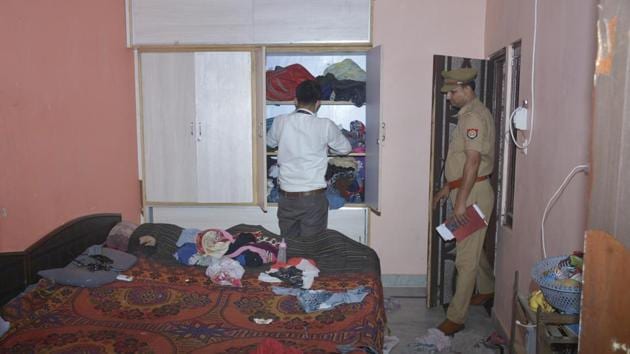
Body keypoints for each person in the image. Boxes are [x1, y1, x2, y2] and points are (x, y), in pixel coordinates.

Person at [432, 67, 496, 336]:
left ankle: (456, 317)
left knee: (465, 258)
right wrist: (449, 186)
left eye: (453, 92)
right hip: (466, 189)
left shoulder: (473, 118)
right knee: (473, 246)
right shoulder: (470, 113)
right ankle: (488, 288)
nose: (449, 98)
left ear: (468, 89)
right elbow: (463, 161)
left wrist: (460, 202)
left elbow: (472, 162)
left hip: (473, 193)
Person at [267, 80, 351, 237]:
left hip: (286, 197)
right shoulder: (325, 125)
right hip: (313, 198)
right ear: (318, 103)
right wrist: (326, 147)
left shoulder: (280, 121)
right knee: (312, 250)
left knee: (290, 248)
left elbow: (269, 143)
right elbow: (346, 148)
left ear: (295, 101)